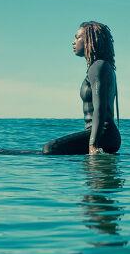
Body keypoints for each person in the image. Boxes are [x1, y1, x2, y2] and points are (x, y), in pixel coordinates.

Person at [43, 21, 121, 155]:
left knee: (50, 148)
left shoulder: (98, 67)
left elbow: (100, 108)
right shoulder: (102, 66)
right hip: (102, 136)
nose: (73, 42)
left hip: (104, 135)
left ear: (91, 40)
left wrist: (93, 145)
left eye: (78, 37)